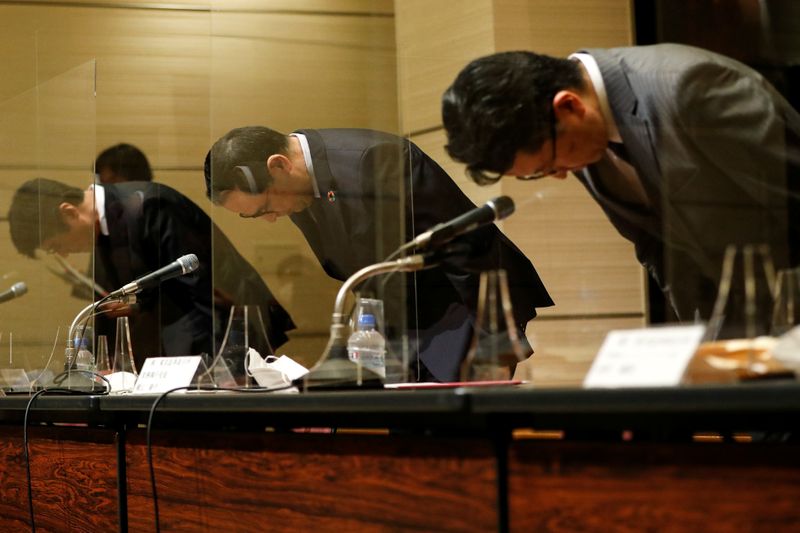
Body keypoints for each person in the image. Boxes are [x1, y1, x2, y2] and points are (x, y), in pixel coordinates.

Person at [442, 44, 800, 321]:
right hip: (742, 330)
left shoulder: (689, 87)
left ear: (569, 106)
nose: (561, 174)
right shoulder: (583, 135)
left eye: (551, 162)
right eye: (541, 172)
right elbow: (658, 249)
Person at [205, 127, 553, 382]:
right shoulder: (295, 188)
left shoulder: (372, 160)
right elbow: (361, 269)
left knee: (457, 443)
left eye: (264, 206)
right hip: (403, 321)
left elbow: (464, 246)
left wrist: (492, 341)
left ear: (279, 165)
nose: (269, 218)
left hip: (460, 307)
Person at [8, 178, 295, 372]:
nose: (66, 255)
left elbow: (200, 289)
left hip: (225, 336)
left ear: (69, 213)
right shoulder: (101, 229)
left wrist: (210, 371)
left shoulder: (149, 205)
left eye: (58, 246)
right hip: (181, 346)